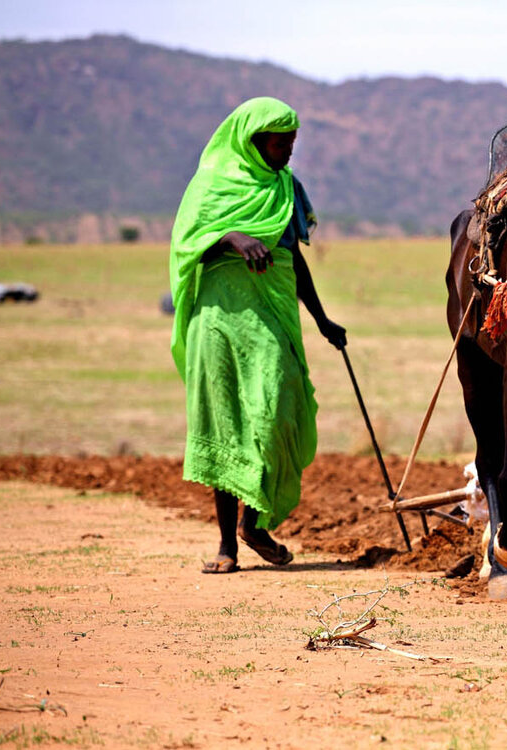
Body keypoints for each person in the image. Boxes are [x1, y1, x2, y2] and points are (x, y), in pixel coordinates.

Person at [169, 97, 346, 574]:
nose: (288, 151)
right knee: (224, 422)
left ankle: (254, 524)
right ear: (252, 141)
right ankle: (227, 545)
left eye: (292, 142)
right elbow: (187, 246)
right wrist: (232, 239)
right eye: (279, 143)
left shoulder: (288, 188)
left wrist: (322, 319)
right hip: (219, 319)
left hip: (273, 316)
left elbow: (294, 258)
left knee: (276, 414)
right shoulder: (210, 186)